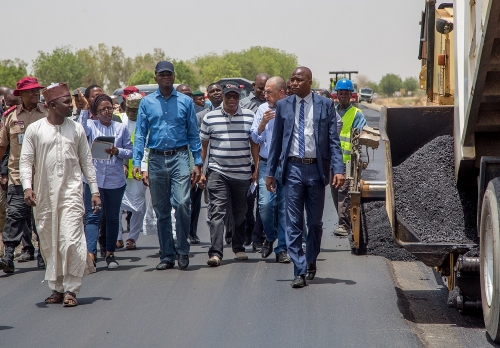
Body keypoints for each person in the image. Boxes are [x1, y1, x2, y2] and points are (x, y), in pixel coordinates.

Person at [19, 82, 100, 307]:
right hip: (43, 195)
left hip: (71, 194)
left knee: (71, 240)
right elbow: (25, 161)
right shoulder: (35, 130)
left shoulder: (77, 129)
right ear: (52, 105)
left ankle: (71, 289)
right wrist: (27, 187)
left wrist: (94, 190)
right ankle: (57, 287)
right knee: (49, 242)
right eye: (66, 102)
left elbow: (87, 161)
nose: (71, 106)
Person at [266, 67, 345, 288]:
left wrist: (338, 169)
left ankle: (311, 258)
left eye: (298, 79)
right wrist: (270, 172)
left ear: (309, 82)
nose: (293, 83)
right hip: (292, 169)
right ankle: (299, 269)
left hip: (316, 170)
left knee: (314, 223)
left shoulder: (325, 105)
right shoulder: (283, 106)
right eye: (291, 79)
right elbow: (276, 143)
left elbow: (333, 141)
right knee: (293, 222)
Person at [132, 61, 203, 271]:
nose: (165, 77)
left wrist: (197, 161)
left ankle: (182, 249)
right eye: (162, 74)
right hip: (155, 159)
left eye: (169, 74)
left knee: (182, 203)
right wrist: (138, 162)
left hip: (180, 156)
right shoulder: (147, 103)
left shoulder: (185, 101)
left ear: (173, 77)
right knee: (161, 210)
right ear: (155, 77)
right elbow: (140, 135)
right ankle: (167, 254)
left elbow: (193, 133)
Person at [201, 82, 259, 267]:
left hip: (242, 173)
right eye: (228, 96)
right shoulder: (210, 118)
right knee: (217, 212)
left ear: (239, 97)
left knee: (240, 213)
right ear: (223, 97)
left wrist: (256, 168)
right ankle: (216, 252)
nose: (232, 99)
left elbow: (254, 145)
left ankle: (238, 246)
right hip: (218, 172)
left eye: (235, 96)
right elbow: (204, 147)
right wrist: (201, 171)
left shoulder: (250, 116)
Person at [79, 92, 132, 268]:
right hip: (93, 179)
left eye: (109, 108)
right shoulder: (90, 126)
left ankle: (110, 253)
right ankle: (92, 254)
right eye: (102, 110)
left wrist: (118, 151)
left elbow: (131, 151)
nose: (107, 112)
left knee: (112, 217)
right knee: (93, 216)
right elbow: (79, 131)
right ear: (95, 112)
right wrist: (85, 109)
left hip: (115, 180)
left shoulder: (121, 128)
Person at [0, 77, 47, 273]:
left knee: (41, 217)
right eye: (31, 91)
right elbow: (3, 146)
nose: (36, 93)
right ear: (21, 94)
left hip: (43, 175)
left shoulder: (47, 113)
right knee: (16, 215)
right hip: (18, 176)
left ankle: (44, 256)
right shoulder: (10, 117)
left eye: (37, 90)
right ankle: (8, 256)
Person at [250, 76, 291, 263]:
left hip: (288, 164)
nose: (264, 95)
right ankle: (270, 235)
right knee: (265, 206)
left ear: (281, 93)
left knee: (284, 209)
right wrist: (262, 123)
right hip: (267, 164)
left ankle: (282, 248)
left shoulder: (292, 107)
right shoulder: (261, 109)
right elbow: (254, 138)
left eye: (268, 92)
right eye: (264, 91)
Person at [332, 78, 367, 236]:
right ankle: (346, 220)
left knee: (343, 194)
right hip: (333, 160)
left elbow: (359, 136)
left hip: (348, 161)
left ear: (351, 95)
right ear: (337, 95)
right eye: (341, 93)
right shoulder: (332, 111)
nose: (343, 96)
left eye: (346, 93)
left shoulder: (356, 114)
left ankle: (344, 225)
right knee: (335, 193)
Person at [240, 73, 270, 251]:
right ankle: (247, 231)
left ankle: (259, 236)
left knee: (263, 202)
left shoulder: (272, 105)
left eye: (266, 89)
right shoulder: (243, 105)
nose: (262, 92)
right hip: (246, 161)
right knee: (247, 201)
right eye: (260, 88)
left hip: (264, 160)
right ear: (253, 86)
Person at [117, 93, 146, 250]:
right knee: (116, 204)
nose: (132, 113)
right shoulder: (120, 121)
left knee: (138, 205)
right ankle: (118, 237)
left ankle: (132, 238)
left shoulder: (146, 123)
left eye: (135, 110)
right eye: (129, 109)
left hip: (139, 170)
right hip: (119, 168)